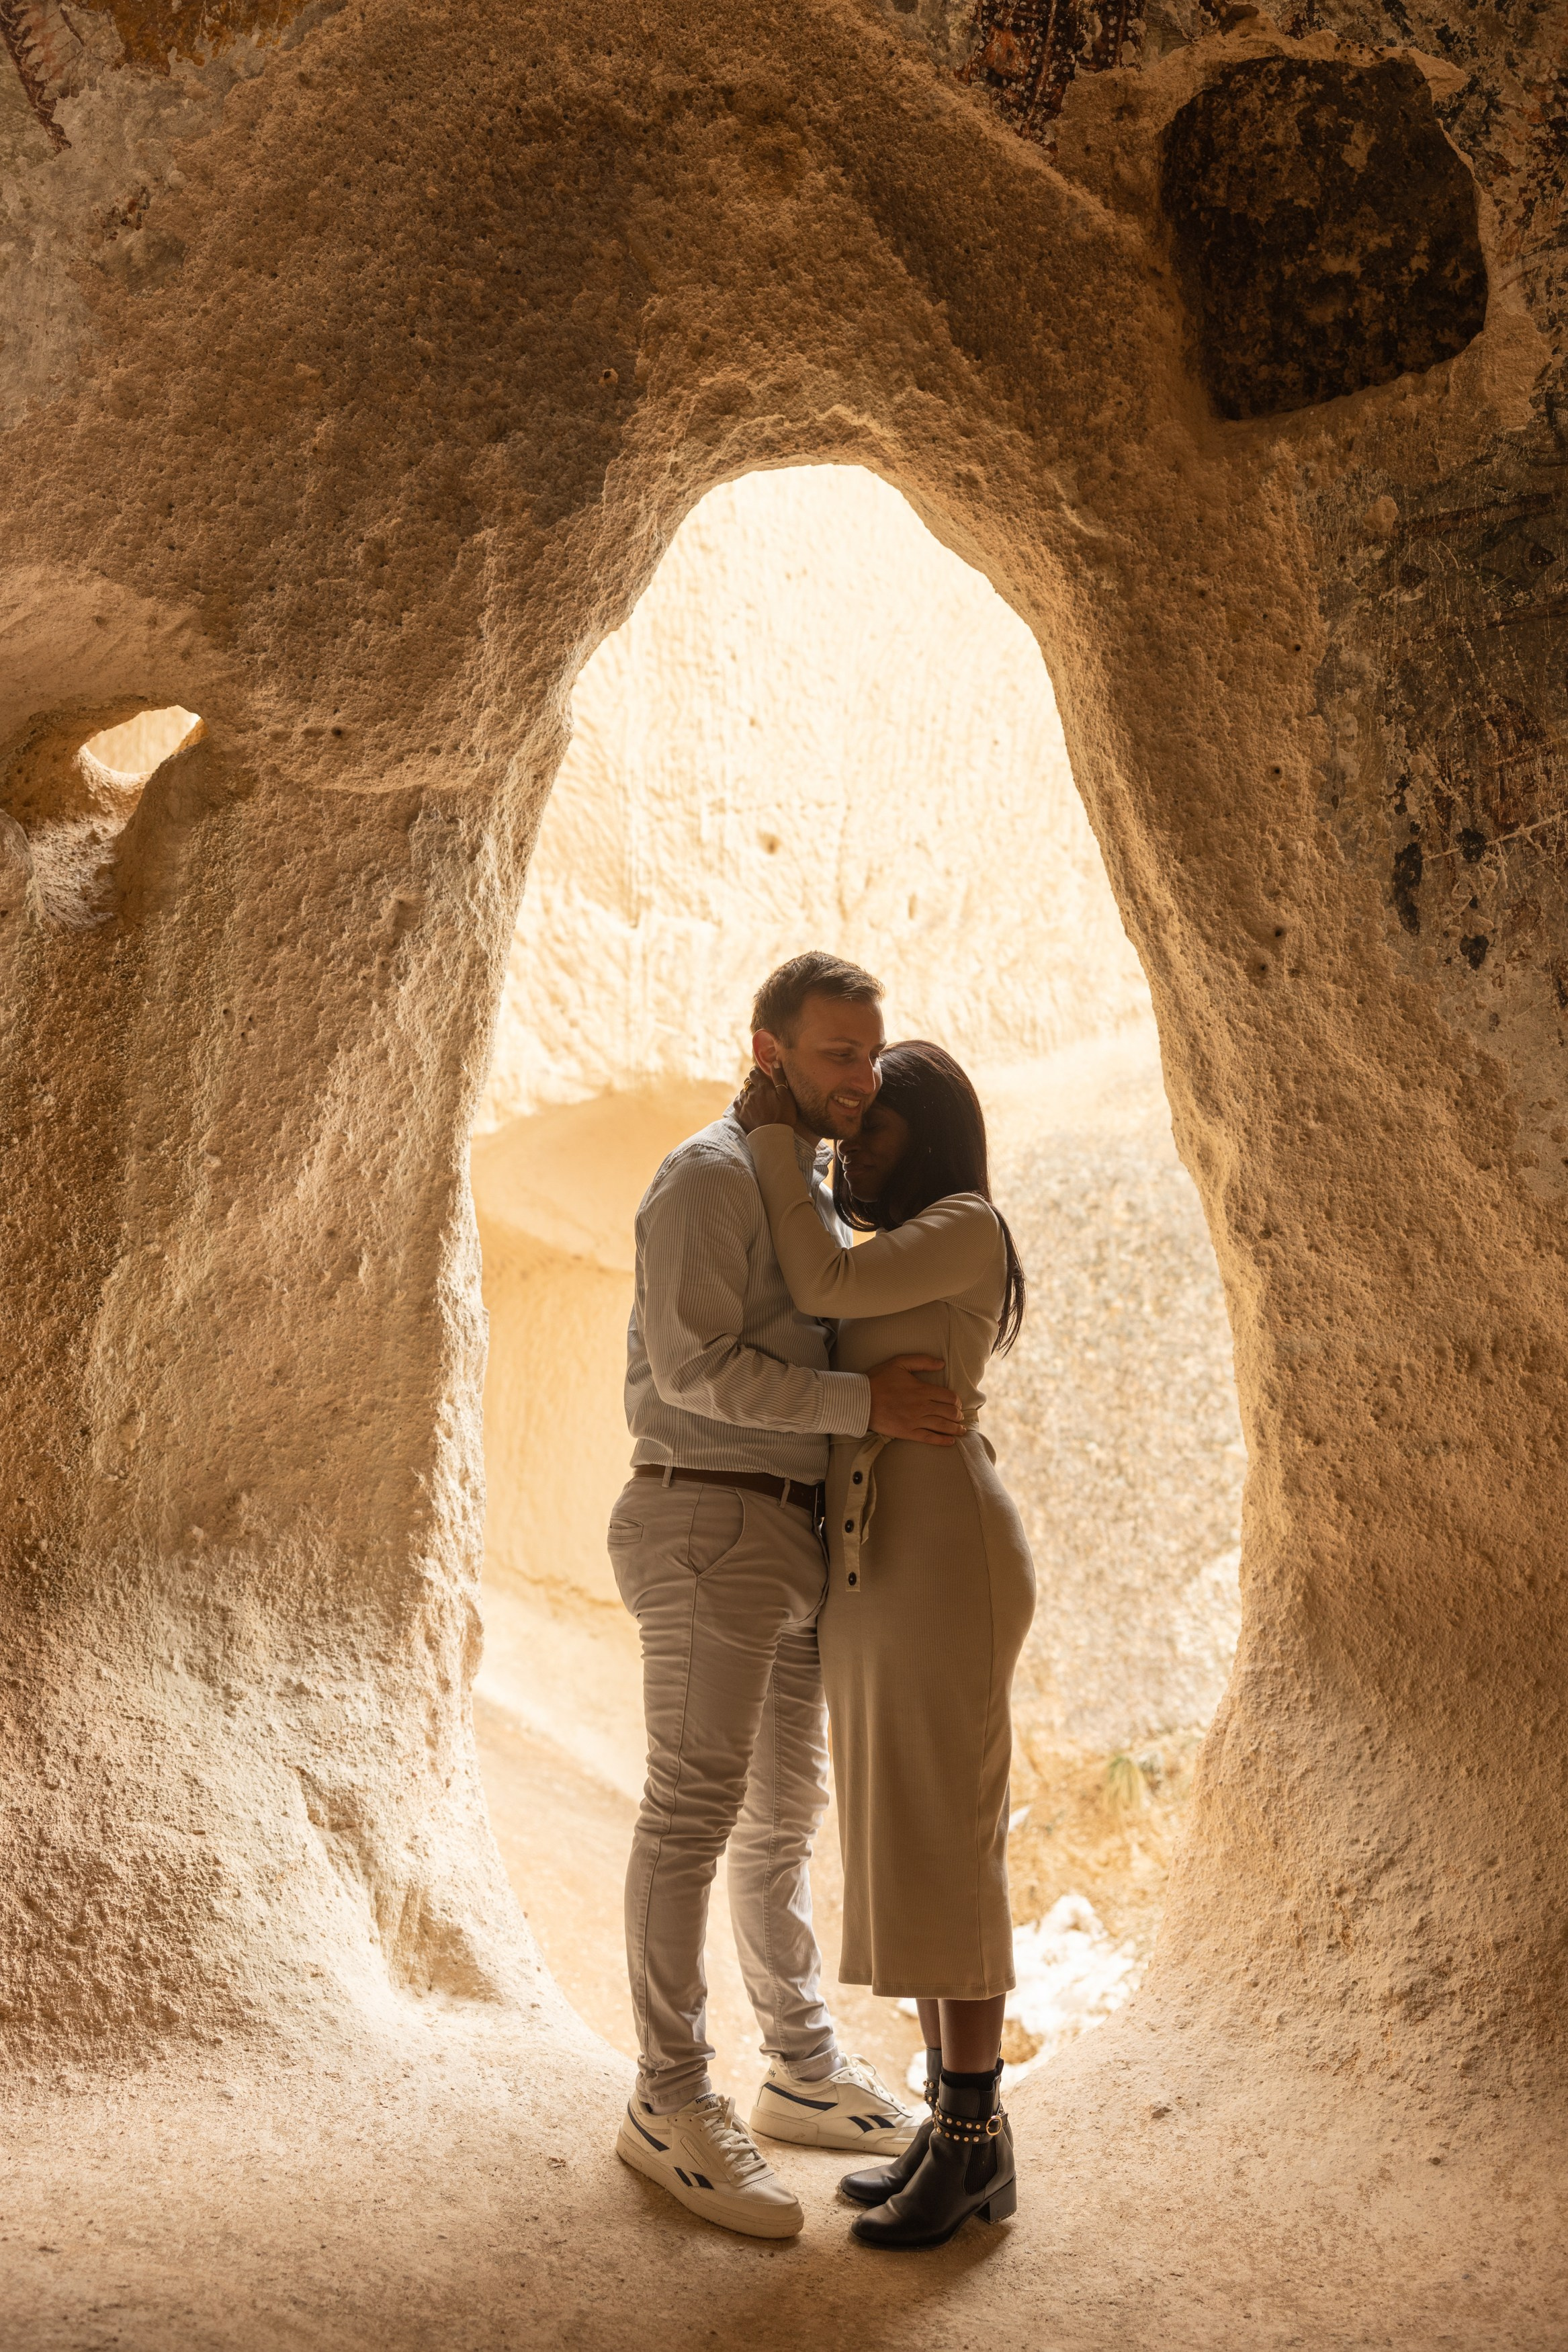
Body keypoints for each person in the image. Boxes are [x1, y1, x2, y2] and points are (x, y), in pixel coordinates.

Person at [611, 953, 967, 2240]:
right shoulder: (710, 1176)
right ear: (765, 1049)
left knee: (779, 1822)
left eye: (870, 1056)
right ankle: (664, 2098)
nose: (861, 1079)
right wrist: (861, 1404)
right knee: (693, 1809)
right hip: (704, 1511)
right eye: (834, 1054)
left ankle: (799, 2068)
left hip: (788, 1532)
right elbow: (696, 1367)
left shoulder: (803, 1181)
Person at [735, 1038, 1035, 2250]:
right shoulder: (894, 1240)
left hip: (941, 1556)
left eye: (875, 1131)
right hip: (876, 1561)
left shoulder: (968, 1222)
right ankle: (957, 2133)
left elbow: (819, 1288)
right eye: (848, 1133)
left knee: (949, 1846)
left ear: (931, 1135)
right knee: (906, 1842)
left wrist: (774, 1139)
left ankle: (970, 2142)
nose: (854, 1151)